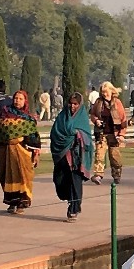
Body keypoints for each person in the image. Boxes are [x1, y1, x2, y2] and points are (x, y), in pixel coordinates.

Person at [0, 88, 39, 213]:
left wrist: (35, 153)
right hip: (5, 151)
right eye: (15, 98)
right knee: (6, 176)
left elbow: (34, 137)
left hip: (22, 151)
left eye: (20, 99)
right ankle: (11, 202)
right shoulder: (4, 114)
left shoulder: (28, 119)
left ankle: (22, 203)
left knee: (23, 176)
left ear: (25, 101)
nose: (17, 101)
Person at [50, 91, 95, 220]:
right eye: (70, 103)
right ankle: (69, 199)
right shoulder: (62, 117)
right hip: (61, 156)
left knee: (75, 181)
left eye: (75, 104)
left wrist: (78, 134)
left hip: (76, 156)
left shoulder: (82, 118)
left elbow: (86, 136)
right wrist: (68, 134)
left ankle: (74, 207)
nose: (72, 106)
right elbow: (55, 132)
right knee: (60, 180)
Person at [92, 82, 128, 183]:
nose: (104, 94)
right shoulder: (98, 102)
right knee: (99, 154)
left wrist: (122, 134)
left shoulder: (117, 103)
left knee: (114, 156)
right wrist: (96, 120)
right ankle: (98, 175)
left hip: (114, 133)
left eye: (106, 92)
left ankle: (116, 174)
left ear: (111, 91)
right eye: (102, 92)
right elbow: (93, 114)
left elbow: (123, 119)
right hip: (102, 133)